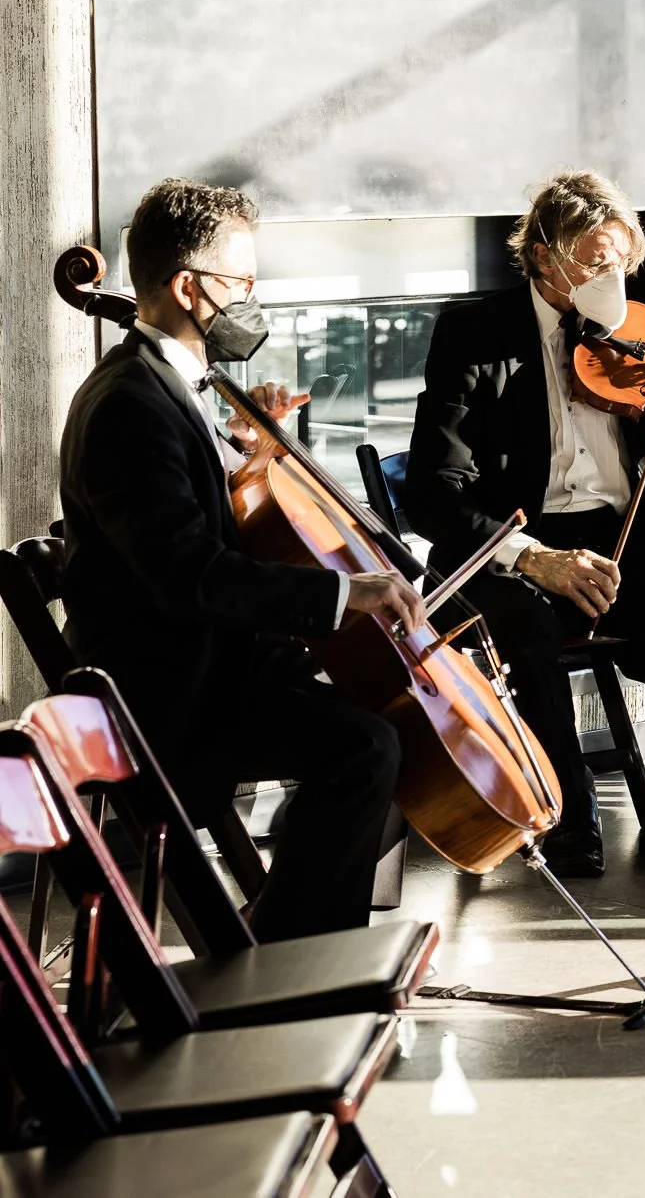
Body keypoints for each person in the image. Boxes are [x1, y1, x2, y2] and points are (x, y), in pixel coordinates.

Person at [59, 178, 419, 941]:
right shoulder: (128, 404)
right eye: (243, 282)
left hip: (209, 664)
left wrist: (250, 463)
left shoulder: (167, 388)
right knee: (366, 746)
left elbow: (192, 527)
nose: (255, 299)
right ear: (189, 288)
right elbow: (189, 574)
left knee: (389, 711)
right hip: (166, 698)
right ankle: (294, 957)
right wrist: (339, 594)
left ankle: (291, 932)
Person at [405, 171, 645, 880]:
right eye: (596, 262)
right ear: (543, 255)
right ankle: (568, 807)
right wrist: (535, 557)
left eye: (621, 262)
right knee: (526, 618)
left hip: (620, 546)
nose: (613, 278)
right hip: (516, 549)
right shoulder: (475, 335)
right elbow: (433, 490)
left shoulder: (634, 336)